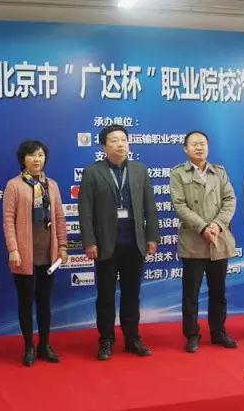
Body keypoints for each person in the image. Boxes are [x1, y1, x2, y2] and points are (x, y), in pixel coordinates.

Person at [78, 125, 159, 360]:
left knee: (132, 295)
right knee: (105, 296)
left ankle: (132, 338)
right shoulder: (93, 172)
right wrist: (89, 241)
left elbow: (150, 207)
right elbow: (85, 210)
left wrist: (152, 236)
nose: (120, 144)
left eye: (123, 139)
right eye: (114, 140)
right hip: (105, 245)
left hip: (134, 243)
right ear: (104, 146)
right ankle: (106, 340)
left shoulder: (139, 170)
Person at [170, 130, 238, 353]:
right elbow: (179, 205)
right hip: (193, 241)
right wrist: (203, 227)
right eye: (194, 144)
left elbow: (230, 199)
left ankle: (219, 332)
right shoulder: (178, 173)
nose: (199, 147)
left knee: (219, 292)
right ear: (185, 148)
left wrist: (217, 225)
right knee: (191, 294)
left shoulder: (219, 172)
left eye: (202, 144)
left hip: (219, 240)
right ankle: (192, 335)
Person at [3, 140, 68, 366]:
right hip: (24, 254)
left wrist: (62, 246)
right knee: (26, 302)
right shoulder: (14, 185)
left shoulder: (52, 185)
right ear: (23, 159)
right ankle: (29, 346)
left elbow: (59, 216)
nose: (37, 159)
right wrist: (13, 249)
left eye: (40, 155)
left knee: (44, 301)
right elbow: (8, 220)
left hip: (48, 253)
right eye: (32, 155)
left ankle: (45, 345)